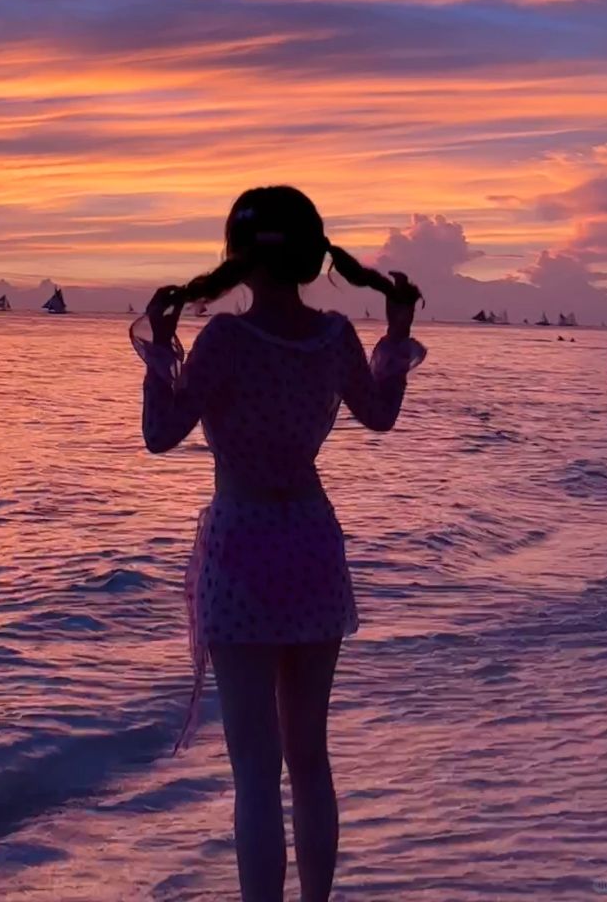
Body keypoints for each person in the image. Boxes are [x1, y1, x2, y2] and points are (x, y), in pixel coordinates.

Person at [130, 185, 425, 902]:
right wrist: (394, 331)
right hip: (312, 544)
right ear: (309, 254)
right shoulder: (333, 337)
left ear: (236, 256)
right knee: (310, 761)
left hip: (242, 546)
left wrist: (161, 351)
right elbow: (381, 414)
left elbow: (161, 435)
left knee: (256, 774)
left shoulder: (227, 340)